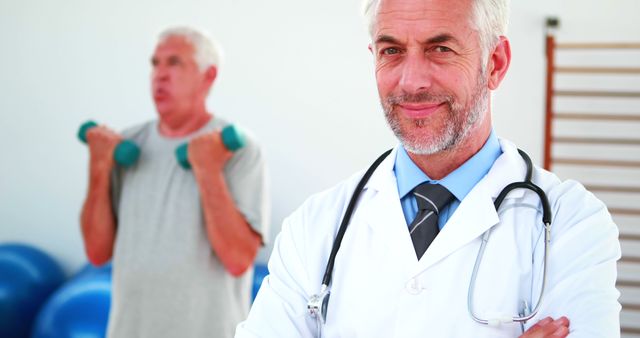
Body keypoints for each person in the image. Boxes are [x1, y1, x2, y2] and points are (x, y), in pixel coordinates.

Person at [235, 0, 621, 337]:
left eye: (440, 48)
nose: (412, 81)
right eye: (392, 51)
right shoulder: (313, 227)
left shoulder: (572, 224)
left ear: (495, 63)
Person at [80, 26, 269, 338]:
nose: (160, 75)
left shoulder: (237, 149)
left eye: (175, 63)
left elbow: (237, 260)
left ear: (208, 77)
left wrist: (208, 170)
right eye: (155, 64)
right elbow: (97, 253)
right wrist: (99, 166)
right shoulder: (127, 144)